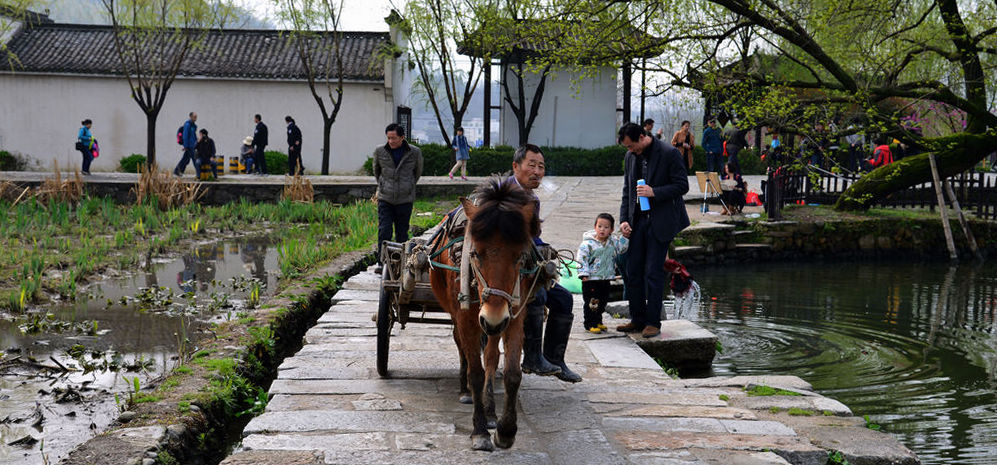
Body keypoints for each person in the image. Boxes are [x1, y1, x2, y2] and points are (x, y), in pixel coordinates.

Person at [510, 144, 581, 382]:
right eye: (532, 165)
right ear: (516, 166)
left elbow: (532, 235)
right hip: (502, 268)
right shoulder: (502, 193)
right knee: (537, 296)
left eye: (541, 167)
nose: (538, 171)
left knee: (563, 298)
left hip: (525, 265)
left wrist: (543, 247)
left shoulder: (533, 199)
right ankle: (532, 357)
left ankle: (554, 359)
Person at [616, 122, 690, 338]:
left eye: (631, 146)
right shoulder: (630, 157)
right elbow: (627, 191)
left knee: (653, 272)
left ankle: (653, 322)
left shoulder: (669, 153)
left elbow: (682, 185)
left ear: (642, 136)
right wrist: (623, 220)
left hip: (662, 220)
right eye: (627, 148)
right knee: (632, 270)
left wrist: (654, 192)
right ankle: (637, 318)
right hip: (638, 220)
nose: (630, 151)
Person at [373, 123, 423, 255]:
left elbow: (417, 172)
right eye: (388, 138)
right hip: (385, 197)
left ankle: (399, 262)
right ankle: (382, 262)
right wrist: (383, 185)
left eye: (393, 138)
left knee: (402, 232)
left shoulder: (414, 152)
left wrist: (408, 185)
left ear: (402, 137)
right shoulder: (380, 151)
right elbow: (377, 171)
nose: (391, 141)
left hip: (405, 198)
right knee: (384, 230)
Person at [576, 213, 628, 334]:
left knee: (603, 301)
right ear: (595, 227)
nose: (602, 230)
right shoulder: (587, 244)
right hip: (591, 279)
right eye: (599, 226)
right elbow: (581, 259)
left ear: (611, 230)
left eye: (606, 227)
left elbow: (622, 249)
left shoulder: (612, 242)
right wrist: (584, 274)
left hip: (605, 278)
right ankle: (590, 324)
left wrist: (625, 237)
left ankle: (598, 321)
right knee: (592, 302)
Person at [174, 112, 197, 177]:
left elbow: (193, 135)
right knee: (194, 159)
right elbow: (185, 136)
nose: (195, 118)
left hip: (193, 145)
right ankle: (199, 173)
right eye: (194, 117)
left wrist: (196, 143)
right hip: (189, 146)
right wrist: (185, 146)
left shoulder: (193, 125)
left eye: (196, 117)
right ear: (190, 116)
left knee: (185, 159)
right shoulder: (187, 125)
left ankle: (177, 171)